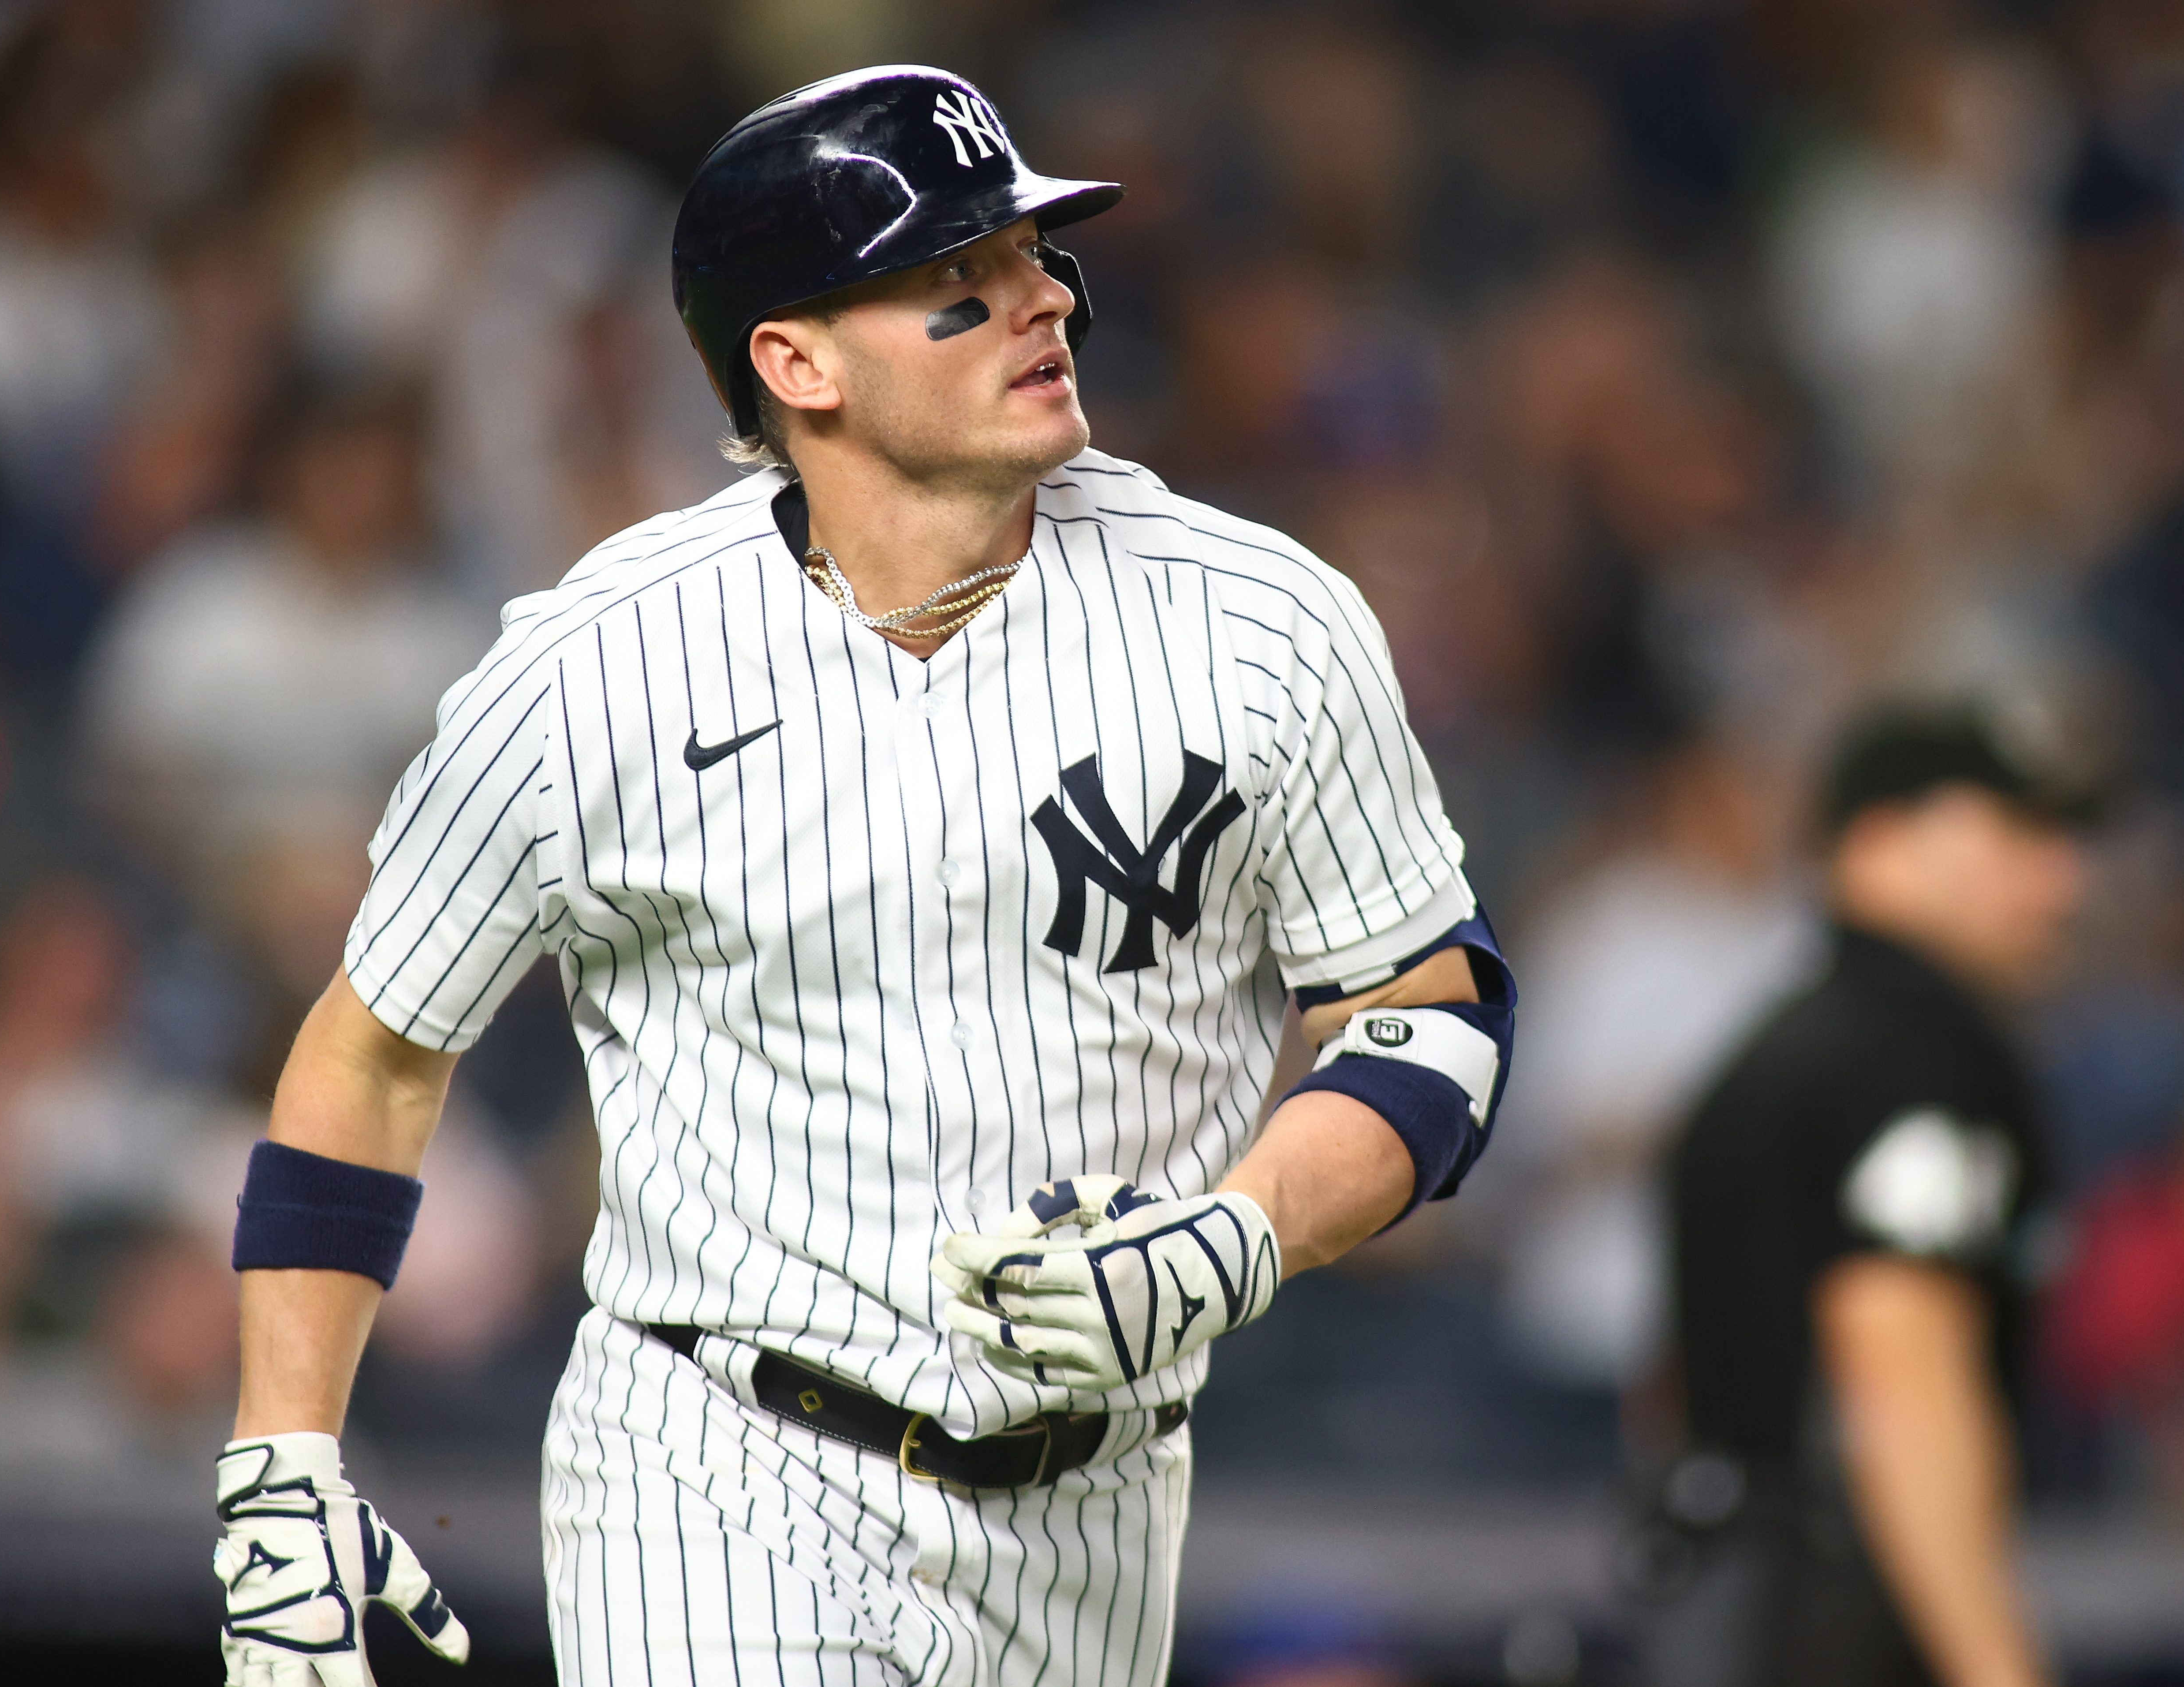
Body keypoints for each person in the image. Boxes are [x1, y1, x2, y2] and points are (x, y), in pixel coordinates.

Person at [209, 67, 1517, 1686]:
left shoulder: (1264, 624)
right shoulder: (600, 667)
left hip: (1094, 1503)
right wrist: (284, 1448)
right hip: (714, 1461)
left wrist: (1242, 1232)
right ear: (795, 358)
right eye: (958, 284)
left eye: (1036, 258)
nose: (1040, 301)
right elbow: (378, 1050)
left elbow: (1432, 1021)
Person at [1647, 705, 2087, 1687]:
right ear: (1883, 842)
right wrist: (1997, 1668)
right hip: (1840, 1610)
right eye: (2019, 835)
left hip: (1725, 1593)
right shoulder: (1915, 1054)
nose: (2063, 882)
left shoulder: (1784, 1042)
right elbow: (1897, 1379)